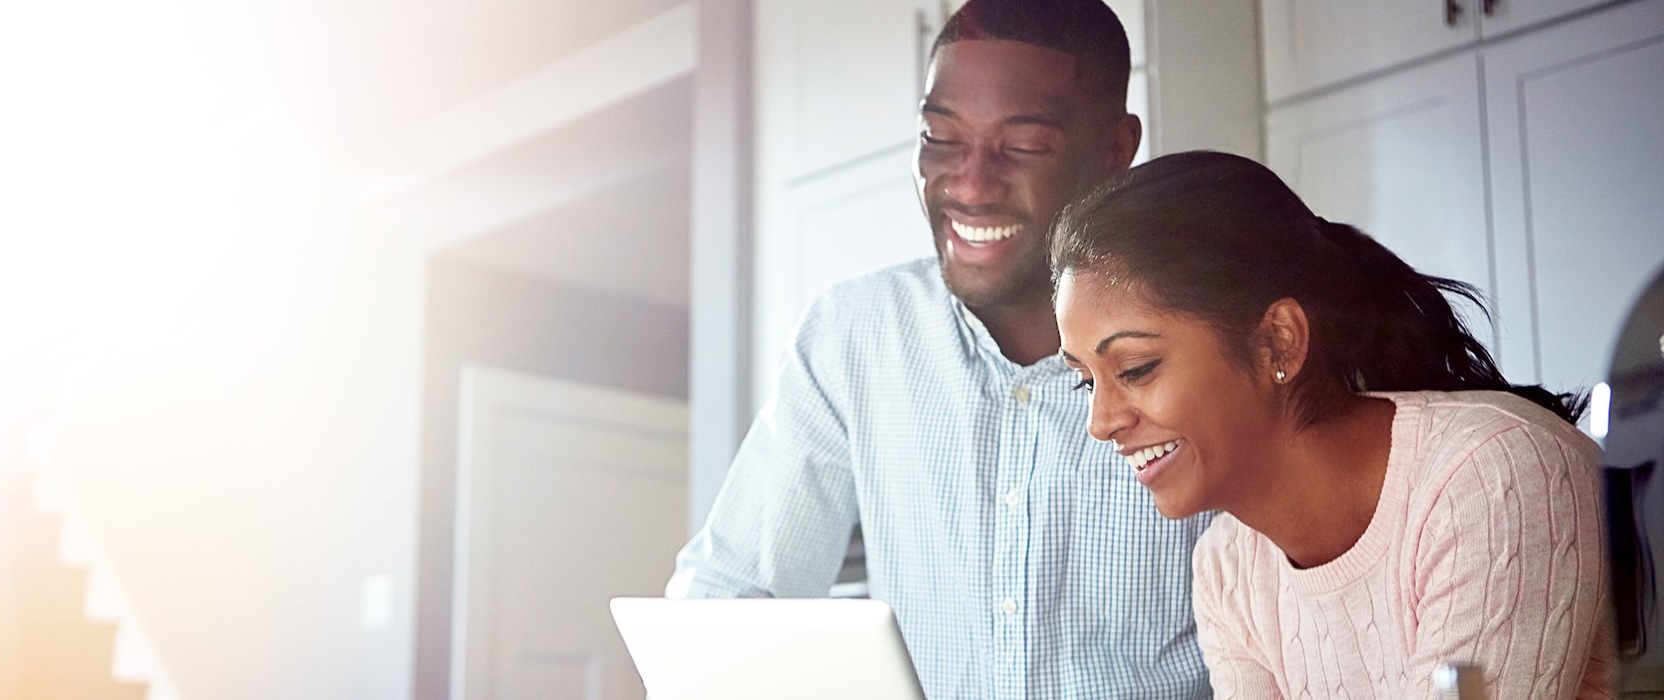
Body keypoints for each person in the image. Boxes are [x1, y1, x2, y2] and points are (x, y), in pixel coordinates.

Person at [667, 0, 1214, 697]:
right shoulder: (852, 337)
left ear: (1115, 150)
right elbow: (731, 593)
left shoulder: (1201, 338)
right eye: (940, 136)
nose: (971, 183)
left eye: (1022, 146)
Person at [1051, 150, 1615, 698]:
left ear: (1280, 341)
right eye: (1086, 380)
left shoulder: (1494, 475)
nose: (1101, 423)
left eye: (1134, 368)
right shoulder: (1227, 566)